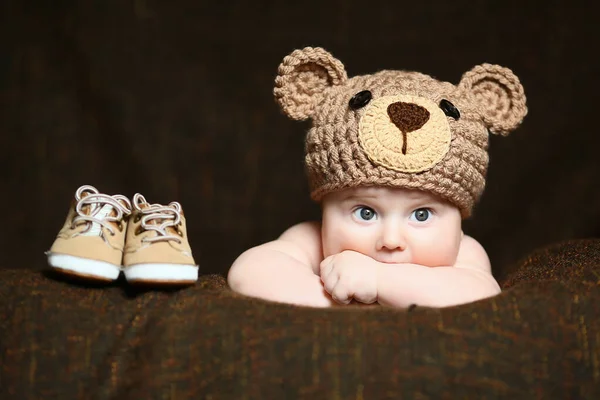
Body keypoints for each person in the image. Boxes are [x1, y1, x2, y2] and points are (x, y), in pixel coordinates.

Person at [227, 47, 528, 308]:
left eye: (421, 214)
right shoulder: (311, 239)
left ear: (459, 217)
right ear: (325, 205)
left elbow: (479, 295)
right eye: (365, 212)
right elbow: (248, 272)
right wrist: (337, 301)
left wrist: (378, 280)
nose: (391, 240)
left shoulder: (464, 252)